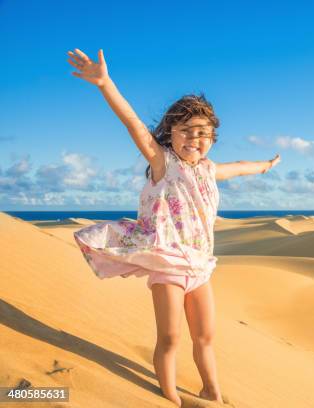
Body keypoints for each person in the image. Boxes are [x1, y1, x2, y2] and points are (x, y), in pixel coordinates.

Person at [67, 48, 281, 407]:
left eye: (204, 133)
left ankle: (211, 390)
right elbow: (133, 123)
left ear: (212, 138)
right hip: (167, 262)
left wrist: (266, 165)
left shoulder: (210, 170)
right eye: (187, 132)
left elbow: (242, 166)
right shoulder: (162, 161)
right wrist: (105, 83)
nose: (195, 140)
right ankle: (169, 399)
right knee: (170, 337)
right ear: (171, 133)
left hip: (199, 264)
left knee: (206, 336)